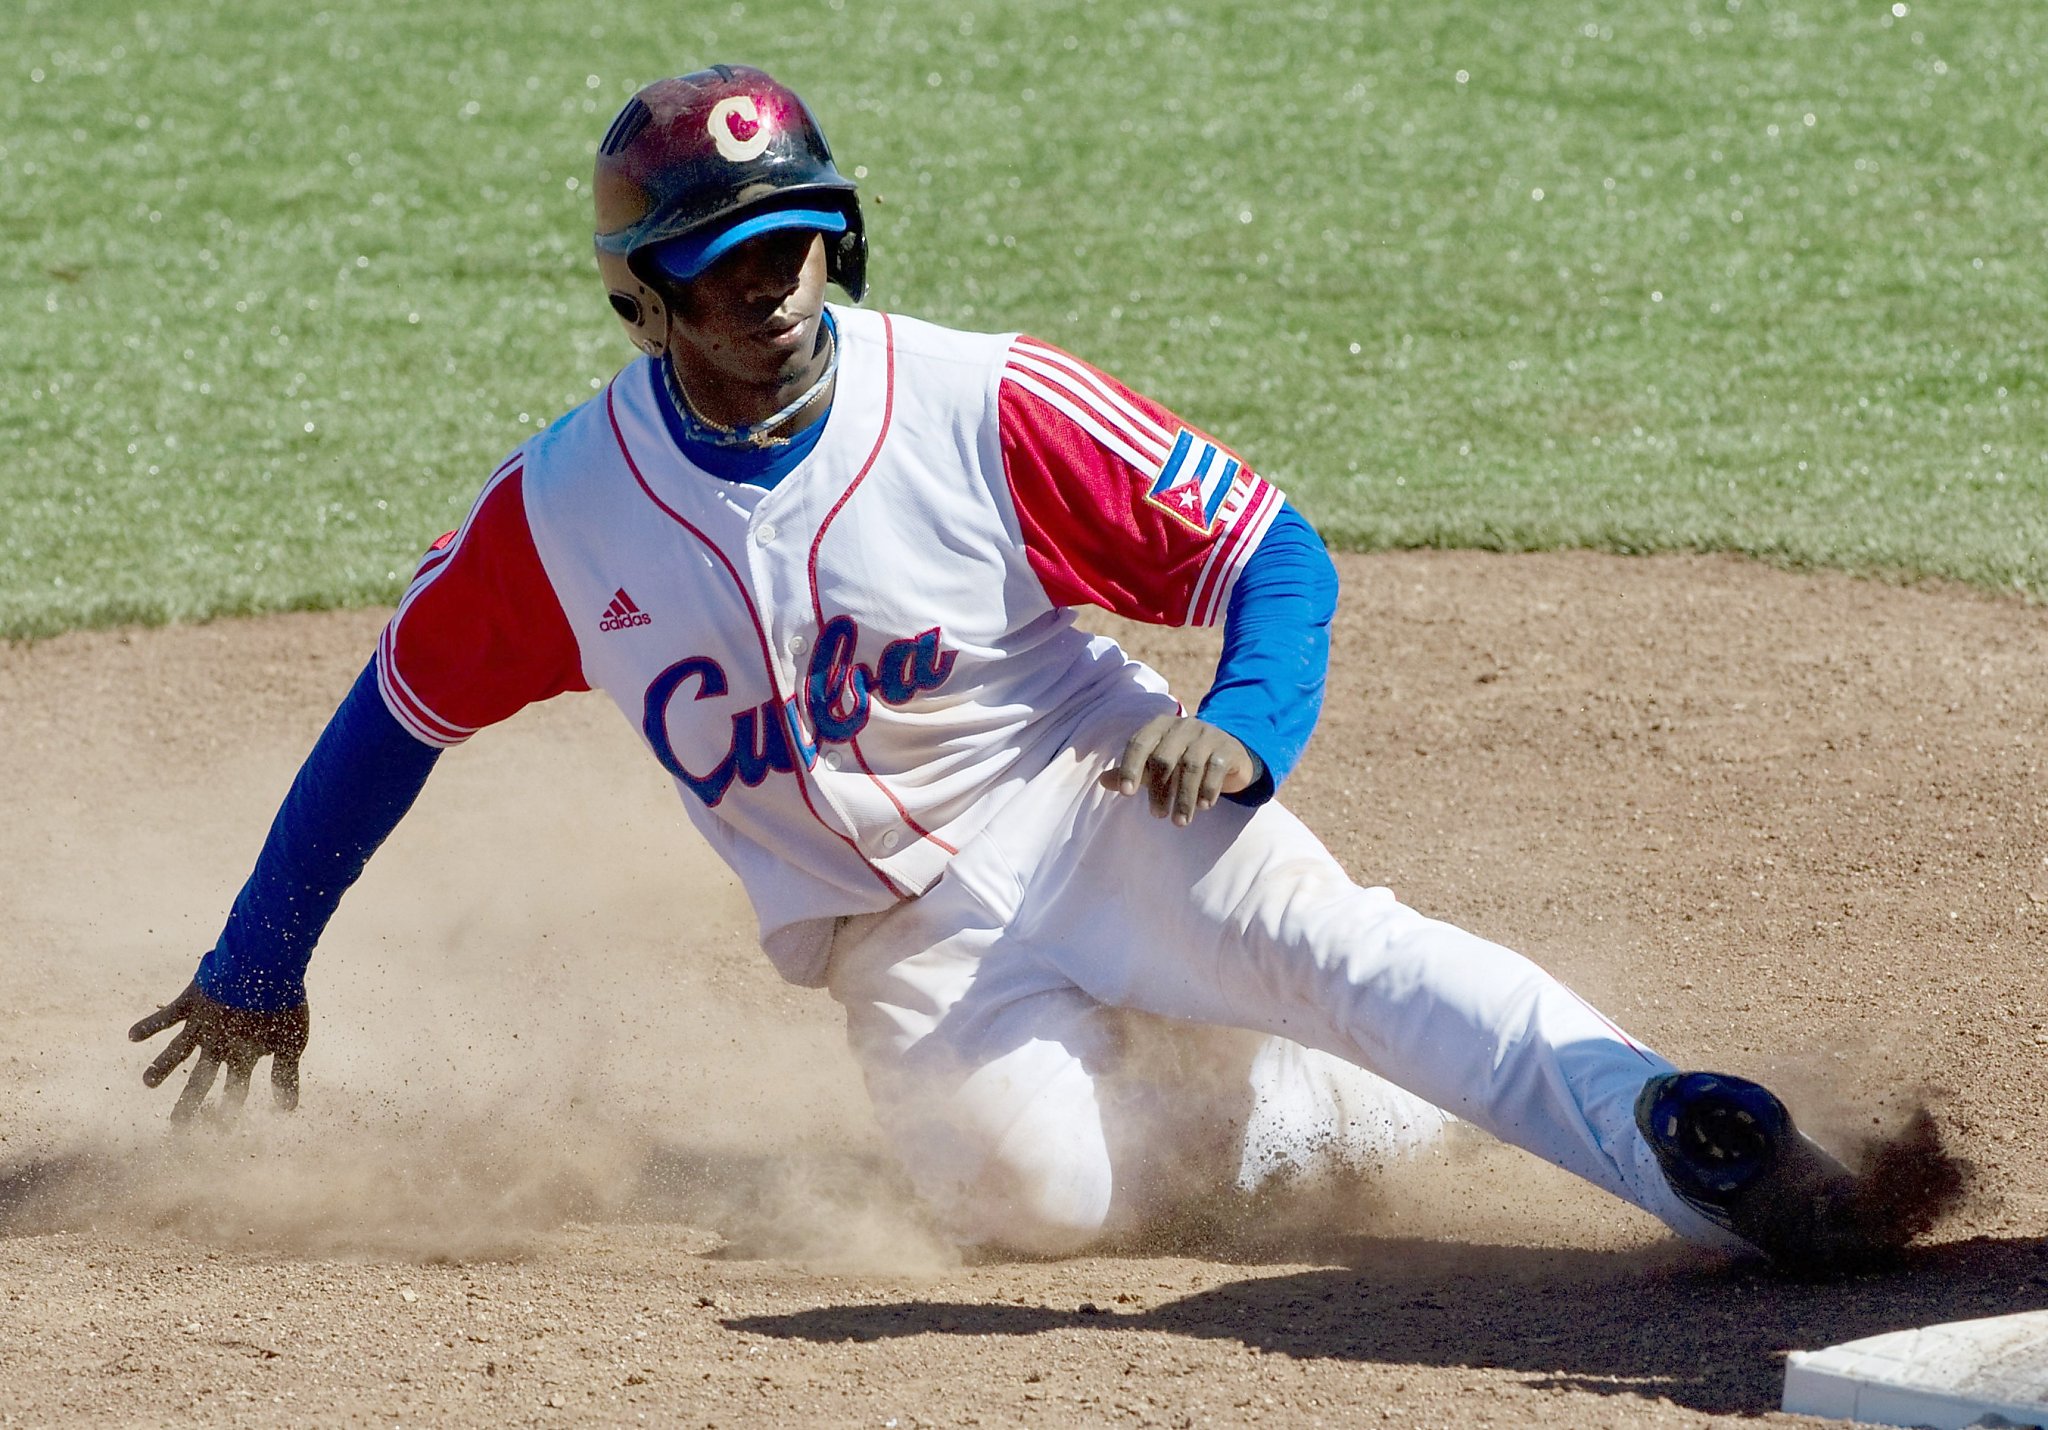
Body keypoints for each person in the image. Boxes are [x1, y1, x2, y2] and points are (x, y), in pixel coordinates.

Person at [132, 64, 1897, 1269]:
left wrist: (1242, 727)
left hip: (1097, 796)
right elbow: (396, 715)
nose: (775, 285)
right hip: (900, 942)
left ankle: (1687, 1143)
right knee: (1030, 1202)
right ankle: (1291, 1110)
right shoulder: (564, 509)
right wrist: (260, 954)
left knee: (1356, 955)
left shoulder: (979, 395)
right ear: (642, 300)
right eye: (724, 263)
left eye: (795, 238)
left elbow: (1269, 551)